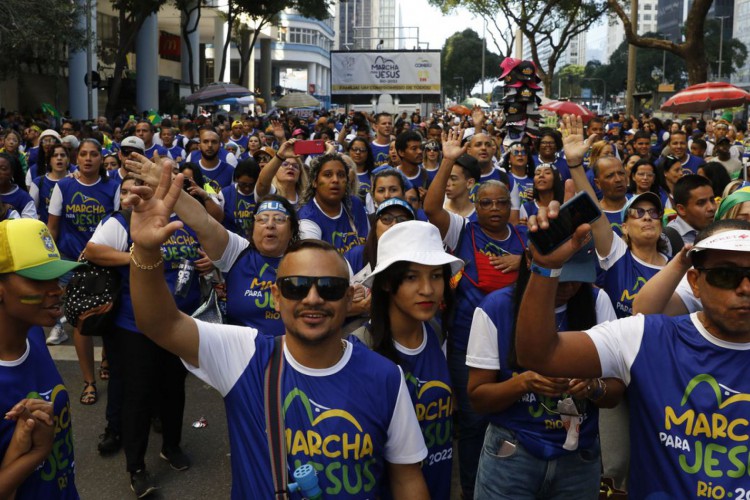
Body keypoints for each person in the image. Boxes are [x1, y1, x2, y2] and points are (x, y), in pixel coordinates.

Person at [123, 163, 431, 499]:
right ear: (277, 294)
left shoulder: (386, 378)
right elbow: (160, 323)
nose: (312, 298)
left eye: (328, 288)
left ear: (348, 298)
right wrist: (146, 249)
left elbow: (407, 478)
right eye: (295, 287)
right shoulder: (244, 356)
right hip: (251, 378)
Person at [518, 210, 750, 497]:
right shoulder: (646, 337)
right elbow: (540, 354)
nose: (745, 288)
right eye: (726, 275)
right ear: (695, 283)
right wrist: (546, 268)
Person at [86, 162, 211, 497]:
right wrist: (141, 251)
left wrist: (208, 259)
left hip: (180, 322)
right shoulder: (124, 218)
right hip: (135, 325)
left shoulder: (184, 218)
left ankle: (170, 446)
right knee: (138, 395)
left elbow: (210, 247)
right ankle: (136, 466)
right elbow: (92, 251)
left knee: (174, 388)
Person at [467, 248, 623, 498]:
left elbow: (615, 392)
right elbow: (478, 397)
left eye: (577, 277)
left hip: (578, 462)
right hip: (513, 456)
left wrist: (593, 387)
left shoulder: (597, 303)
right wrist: (524, 383)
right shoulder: (496, 308)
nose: (568, 286)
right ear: (530, 260)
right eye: (559, 276)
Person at [424, 129, 526, 499]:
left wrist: (524, 260)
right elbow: (432, 209)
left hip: (515, 344)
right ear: (476, 205)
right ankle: (471, 489)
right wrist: (447, 159)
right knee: (470, 421)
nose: (495, 210)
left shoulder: (523, 238)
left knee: (511, 419)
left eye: (501, 203)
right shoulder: (461, 231)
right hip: (467, 345)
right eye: (487, 204)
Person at [362, 221, 463, 499]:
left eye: (435, 276)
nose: (427, 289)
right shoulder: (361, 348)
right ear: (385, 283)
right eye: (410, 277)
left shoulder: (437, 332)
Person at [0, 218, 83, 498]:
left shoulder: (33, 332)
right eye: (38, 279)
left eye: (55, 275)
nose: (56, 289)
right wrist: (37, 452)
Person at [47, 139, 120, 401]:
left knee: (110, 318)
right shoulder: (63, 187)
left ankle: (106, 359)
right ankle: (88, 381)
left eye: (94, 154)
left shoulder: (114, 187)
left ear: (102, 158)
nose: (88, 158)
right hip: (71, 264)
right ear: (76, 158)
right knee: (80, 323)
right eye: (83, 154)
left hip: (104, 263)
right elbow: (52, 228)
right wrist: (52, 263)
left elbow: (120, 224)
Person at [297, 152, 369, 253]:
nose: (335, 180)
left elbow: (368, 244)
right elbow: (313, 263)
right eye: (327, 175)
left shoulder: (354, 203)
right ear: (314, 181)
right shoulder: (307, 219)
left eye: (341, 175)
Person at [665, 175, 718, 251]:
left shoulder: (719, 229)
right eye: (701, 203)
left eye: (712, 200)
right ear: (681, 209)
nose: (711, 208)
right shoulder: (669, 239)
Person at [220, 158, 260, 236]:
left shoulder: (261, 193)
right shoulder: (225, 194)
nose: (247, 188)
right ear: (236, 179)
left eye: (251, 185)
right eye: (243, 184)